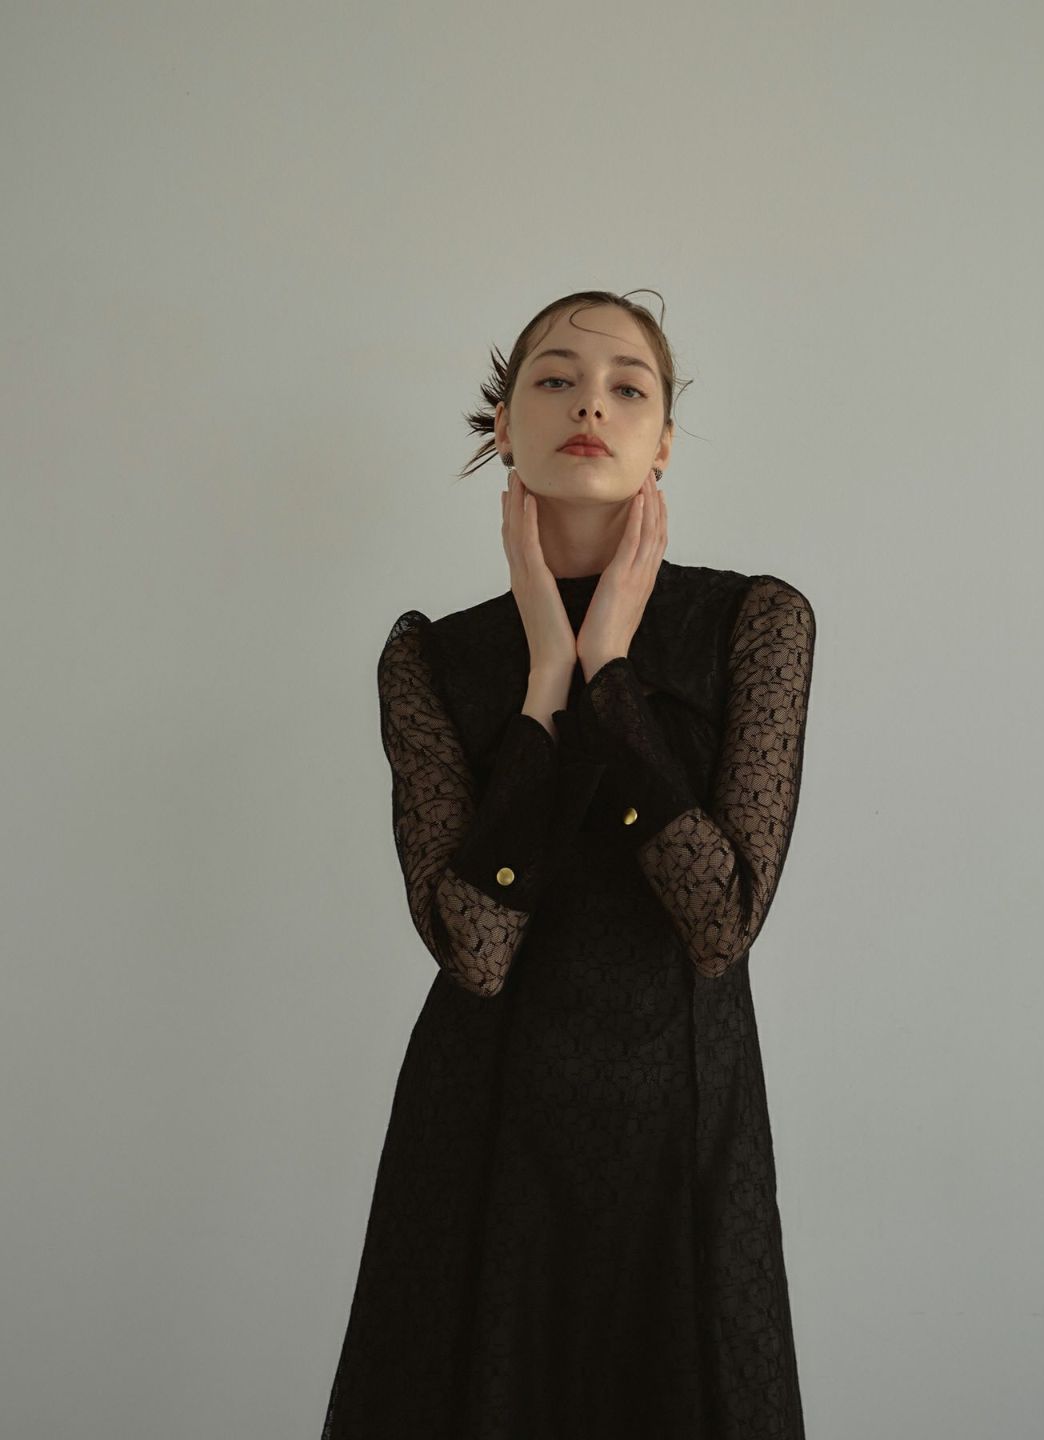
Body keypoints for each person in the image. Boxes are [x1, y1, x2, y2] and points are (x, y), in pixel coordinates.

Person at [320, 290, 817, 1438]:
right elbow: (477, 950)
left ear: (663, 441)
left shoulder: (756, 624)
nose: (590, 403)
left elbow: (720, 923)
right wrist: (545, 685)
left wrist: (609, 675)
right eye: (554, 379)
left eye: (626, 387)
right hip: (484, 1128)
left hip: (681, 1133)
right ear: (503, 424)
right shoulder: (432, 660)